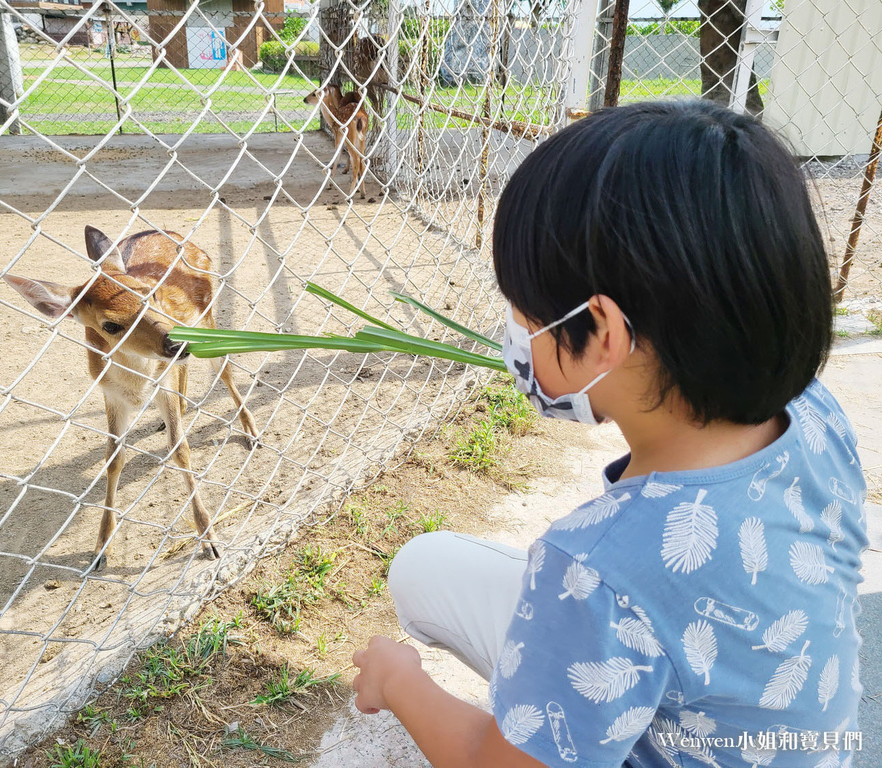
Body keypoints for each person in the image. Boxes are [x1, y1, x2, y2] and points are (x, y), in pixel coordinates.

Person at [351, 100, 868, 768]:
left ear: (602, 332)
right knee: (426, 571)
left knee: (455, 597)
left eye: (520, 312)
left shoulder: (597, 568)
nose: (514, 337)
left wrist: (400, 681)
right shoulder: (815, 413)